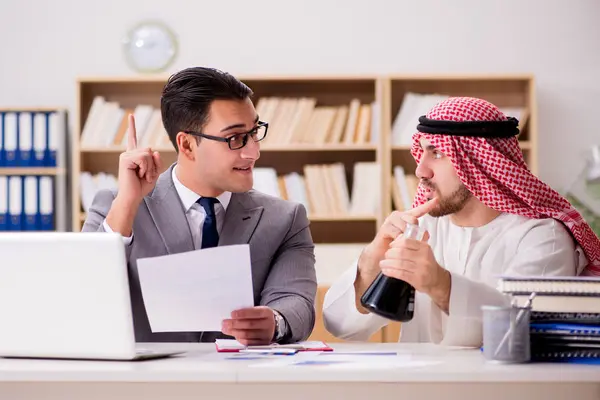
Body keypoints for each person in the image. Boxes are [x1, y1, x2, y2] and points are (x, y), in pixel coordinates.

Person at [322, 96, 600, 347]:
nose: (420, 169)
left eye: (437, 153)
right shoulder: (423, 229)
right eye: (421, 152)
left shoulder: (543, 238)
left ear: (478, 163)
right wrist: (370, 264)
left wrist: (442, 285)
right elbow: (340, 326)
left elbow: (520, 334)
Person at [82, 67, 317, 346]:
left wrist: (275, 321)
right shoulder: (116, 205)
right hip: (145, 384)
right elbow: (85, 293)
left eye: (254, 132)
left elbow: (297, 302)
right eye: (235, 138)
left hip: (242, 383)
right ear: (188, 145)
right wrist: (127, 203)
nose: (253, 151)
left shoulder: (285, 219)